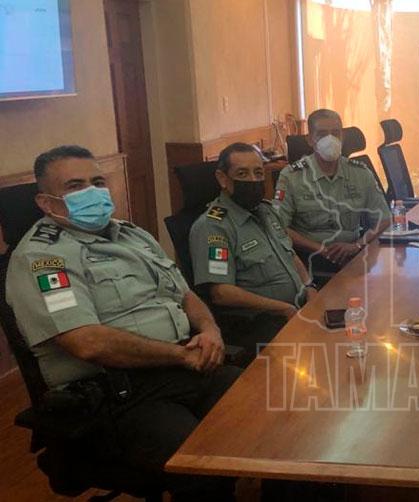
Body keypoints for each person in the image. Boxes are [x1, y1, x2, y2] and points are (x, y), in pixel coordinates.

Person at [5, 145, 239, 500]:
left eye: (98, 182)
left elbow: (184, 294)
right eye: (75, 186)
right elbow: (87, 342)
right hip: (120, 395)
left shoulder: (132, 234)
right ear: (46, 203)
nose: (92, 192)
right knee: (202, 464)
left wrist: (210, 330)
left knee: (267, 415)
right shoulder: (43, 258)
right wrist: (181, 356)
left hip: (180, 367)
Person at [189, 143, 318, 360]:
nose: (252, 180)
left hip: (298, 310)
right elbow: (221, 293)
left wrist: (309, 286)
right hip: (261, 323)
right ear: (222, 178)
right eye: (242, 174)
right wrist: (282, 308)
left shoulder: (266, 211)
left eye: (258, 173)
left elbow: (290, 255)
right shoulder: (214, 226)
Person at [274, 109, 390, 281]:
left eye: (335, 133)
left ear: (342, 137)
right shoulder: (292, 177)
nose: (330, 139)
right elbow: (278, 227)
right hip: (310, 263)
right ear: (310, 139)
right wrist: (320, 249)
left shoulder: (360, 173)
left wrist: (357, 245)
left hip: (354, 258)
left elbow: (384, 219)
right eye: (322, 134)